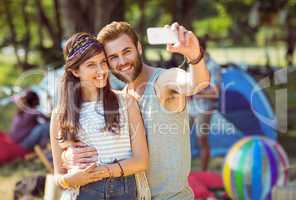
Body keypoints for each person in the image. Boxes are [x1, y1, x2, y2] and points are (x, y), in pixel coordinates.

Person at [62, 22, 210, 200]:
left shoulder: (162, 82)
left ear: (139, 48)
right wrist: (68, 157)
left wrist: (194, 56)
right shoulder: (120, 100)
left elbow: (195, 83)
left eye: (126, 52)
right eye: (113, 57)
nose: (122, 62)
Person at [50, 32, 149, 200]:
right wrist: (70, 180)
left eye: (103, 62)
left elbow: (142, 161)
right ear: (75, 71)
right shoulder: (61, 114)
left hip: (124, 188)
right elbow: (58, 176)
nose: (101, 70)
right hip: (84, 192)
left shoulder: (126, 102)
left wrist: (102, 172)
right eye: (91, 65)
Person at [188, 50, 221, 171]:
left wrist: (196, 92)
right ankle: (185, 172)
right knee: (182, 139)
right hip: (190, 108)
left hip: (204, 109)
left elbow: (215, 93)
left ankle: (203, 172)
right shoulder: (191, 62)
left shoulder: (213, 66)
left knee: (202, 140)